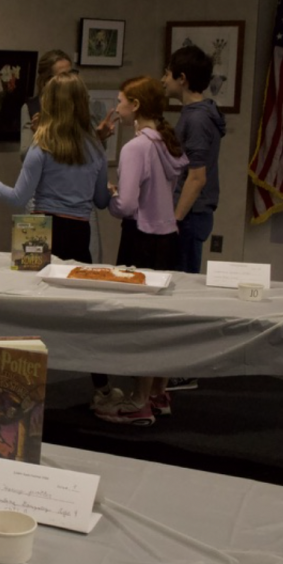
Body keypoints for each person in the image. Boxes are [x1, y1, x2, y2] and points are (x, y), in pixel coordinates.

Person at [94, 76, 188, 425]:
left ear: (135, 106)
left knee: (139, 321)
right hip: (168, 237)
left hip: (141, 238)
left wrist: (112, 197)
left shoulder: (135, 148)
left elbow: (128, 204)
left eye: (120, 100)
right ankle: (157, 392)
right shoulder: (167, 142)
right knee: (162, 319)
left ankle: (138, 401)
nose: (116, 106)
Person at [0, 71, 110, 262]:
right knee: (74, 289)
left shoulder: (42, 145)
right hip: (80, 232)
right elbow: (101, 201)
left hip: (39, 226)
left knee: (31, 288)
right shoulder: (96, 147)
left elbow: (18, 198)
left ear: (50, 103)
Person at [163, 45, 224, 274]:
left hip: (189, 216)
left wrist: (175, 220)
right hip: (189, 214)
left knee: (181, 283)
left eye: (168, 74)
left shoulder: (197, 119)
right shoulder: (194, 113)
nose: (163, 80)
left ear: (182, 79)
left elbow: (197, 177)